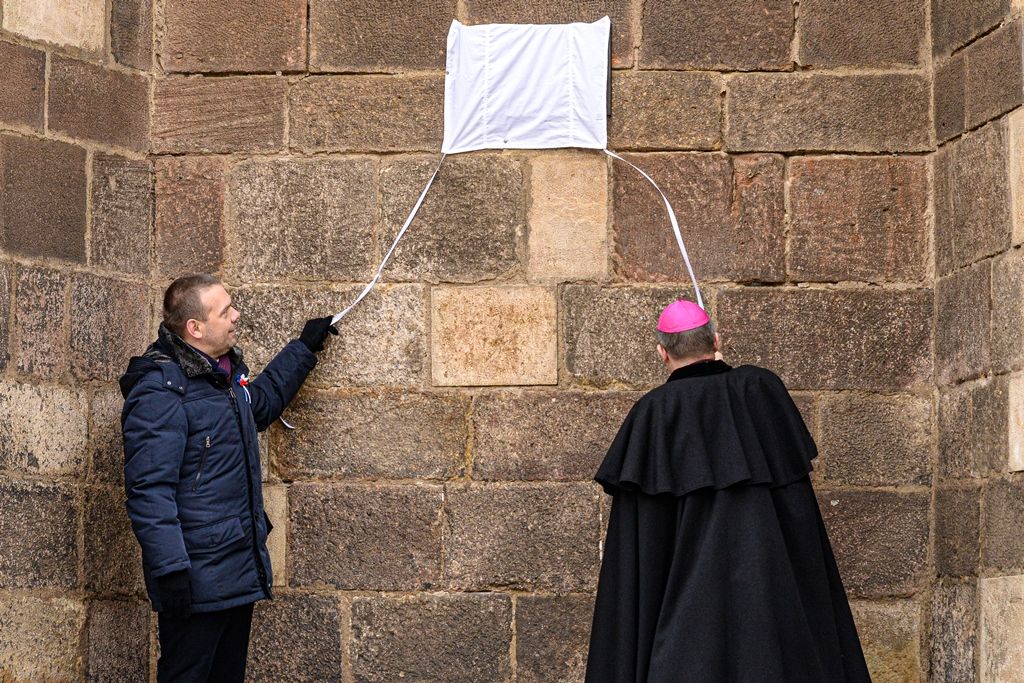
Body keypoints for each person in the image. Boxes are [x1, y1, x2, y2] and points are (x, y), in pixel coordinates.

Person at [585, 299, 871, 683]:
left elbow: (641, 554)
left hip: (687, 633)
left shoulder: (653, 414)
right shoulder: (760, 391)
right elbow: (799, 524)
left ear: (662, 353)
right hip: (773, 617)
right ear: (716, 341)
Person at [119, 274, 338, 682]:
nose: (236, 315)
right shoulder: (161, 393)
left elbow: (261, 402)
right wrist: (171, 571)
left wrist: (303, 348)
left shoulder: (224, 381)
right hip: (194, 580)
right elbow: (149, 491)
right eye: (225, 311)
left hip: (234, 570)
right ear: (195, 328)